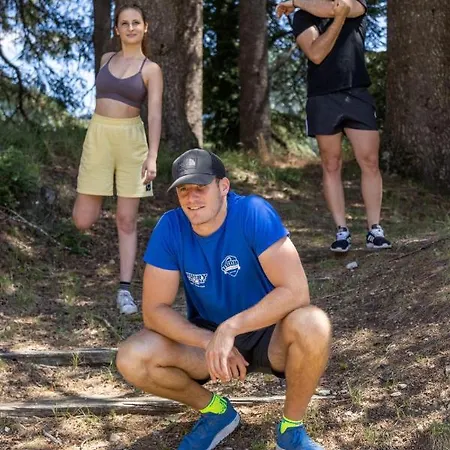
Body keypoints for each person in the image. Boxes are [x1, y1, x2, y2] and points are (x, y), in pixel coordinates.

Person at [116, 148, 331, 450]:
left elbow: (296, 292)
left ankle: (291, 431)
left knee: (313, 323)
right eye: (183, 190)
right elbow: (154, 311)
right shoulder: (170, 227)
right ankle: (217, 413)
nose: (191, 198)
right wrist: (210, 340)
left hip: (270, 333)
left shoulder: (253, 212)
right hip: (208, 339)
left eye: (200, 187)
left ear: (223, 186)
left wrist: (230, 329)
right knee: (132, 357)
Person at [276, 0, 392, 253]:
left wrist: (295, 2)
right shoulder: (303, 17)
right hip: (322, 97)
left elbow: (341, 7)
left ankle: (375, 230)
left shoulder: (355, 1)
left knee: (370, 161)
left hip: (357, 93)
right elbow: (316, 54)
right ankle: (341, 231)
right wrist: (338, 17)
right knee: (331, 164)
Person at [72, 3, 163, 314]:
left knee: (126, 219)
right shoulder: (106, 59)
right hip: (98, 136)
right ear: (117, 29)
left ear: (145, 27)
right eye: (124, 23)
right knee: (83, 220)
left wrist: (152, 155)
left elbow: (154, 115)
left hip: (132, 141)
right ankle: (102, 194)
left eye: (136, 22)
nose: (131, 28)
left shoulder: (151, 69)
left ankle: (124, 290)